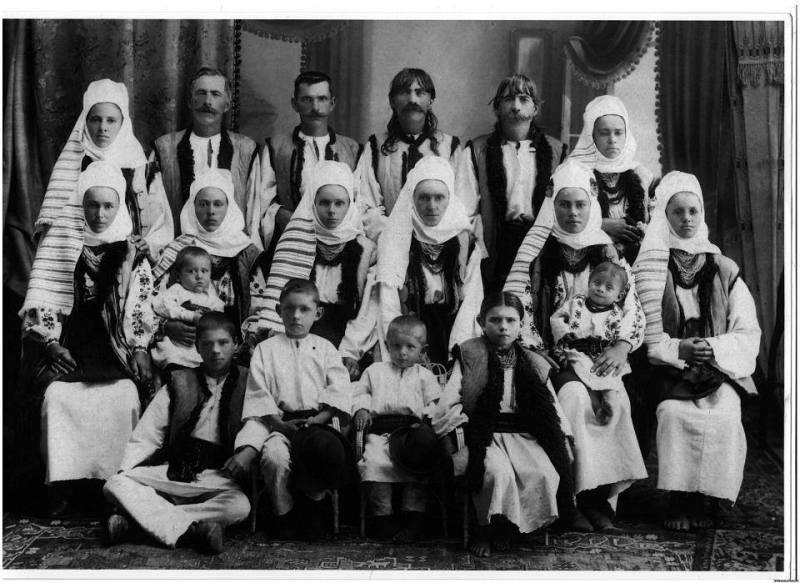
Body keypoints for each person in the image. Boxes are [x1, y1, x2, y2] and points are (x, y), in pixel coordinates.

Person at [503, 160, 647, 532]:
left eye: (580, 204)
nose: (572, 213)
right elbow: (518, 308)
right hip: (552, 355)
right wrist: (539, 350)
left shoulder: (607, 253)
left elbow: (632, 308)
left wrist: (622, 346)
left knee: (617, 402)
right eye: (564, 204)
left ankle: (602, 500)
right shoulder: (536, 251)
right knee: (574, 400)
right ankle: (574, 499)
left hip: (601, 355)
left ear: (592, 203)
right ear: (553, 204)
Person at [20, 161, 156, 515]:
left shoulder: (131, 253)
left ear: (120, 206)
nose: (99, 214)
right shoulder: (60, 246)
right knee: (55, 398)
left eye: (108, 205)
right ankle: (62, 487)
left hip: (115, 347)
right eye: (92, 205)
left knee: (125, 396)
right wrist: (51, 343)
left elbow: (140, 304)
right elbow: (44, 300)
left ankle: (117, 485)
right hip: (70, 346)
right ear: (80, 205)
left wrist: (139, 346)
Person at [632, 171, 761, 531]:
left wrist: (711, 347)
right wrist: (679, 349)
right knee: (675, 414)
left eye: (694, 211)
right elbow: (643, 330)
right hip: (669, 368)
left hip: (717, 367)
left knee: (724, 414)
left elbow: (747, 329)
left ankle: (709, 496)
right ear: (664, 215)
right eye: (678, 212)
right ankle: (679, 498)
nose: (687, 219)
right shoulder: (651, 266)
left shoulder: (723, 268)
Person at [432, 292, 574, 557]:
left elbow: (551, 408)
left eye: (511, 320)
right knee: (497, 474)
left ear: (521, 324)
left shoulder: (533, 361)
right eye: (495, 320)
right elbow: (449, 403)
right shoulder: (470, 353)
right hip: (484, 434)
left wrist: (563, 437)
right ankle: (484, 528)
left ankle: (509, 527)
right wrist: (457, 434)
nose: (503, 327)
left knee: (542, 473)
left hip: (522, 435)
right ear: (481, 322)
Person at [103, 312, 251, 554]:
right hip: (174, 471)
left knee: (240, 506)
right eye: (207, 344)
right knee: (115, 484)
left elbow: (259, 424)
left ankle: (136, 525)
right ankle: (193, 531)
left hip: (217, 477)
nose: (215, 351)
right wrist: (126, 469)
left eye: (223, 343)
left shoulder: (249, 382)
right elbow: (148, 434)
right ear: (197, 348)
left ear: (236, 344)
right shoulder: (179, 381)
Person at [228, 279, 355, 540]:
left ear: (317, 313)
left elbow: (339, 390)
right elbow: (259, 393)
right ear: (279, 310)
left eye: (304, 309)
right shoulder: (265, 350)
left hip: (318, 422)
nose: (296, 316)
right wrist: (280, 425)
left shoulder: (326, 349)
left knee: (323, 451)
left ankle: (312, 508)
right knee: (274, 457)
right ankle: (283, 513)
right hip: (280, 423)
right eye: (289, 309)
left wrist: (319, 419)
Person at [257, 161, 378, 374]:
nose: (332, 211)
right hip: (299, 329)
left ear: (350, 204)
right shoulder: (296, 240)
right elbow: (280, 299)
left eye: (339, 203)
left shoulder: (366, 249)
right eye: (324, 203)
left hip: (347, 337)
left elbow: (368, 309)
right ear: (313, 203)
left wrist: (350, 352)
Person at [456, 74, 567, 290]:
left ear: (536, 108)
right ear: (497, 108)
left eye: (524, 99)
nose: (516, 106)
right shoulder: (477, 150)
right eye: (508, 99)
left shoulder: (556, 151)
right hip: (495, 245)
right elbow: (464, 211)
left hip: (541, 245)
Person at [375, 156, 484, 368]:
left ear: (450, 198)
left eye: (439, 197)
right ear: (412, 198)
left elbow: (472, 300)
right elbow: (388, 302)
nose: (432, 206)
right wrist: (403, 344)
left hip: (453, 327)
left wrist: (458, 349)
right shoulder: (396, 240)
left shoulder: (466, 244)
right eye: (424, 198)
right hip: (408, 331)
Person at [151, 169, 269, 356]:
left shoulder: (247, 252)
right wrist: (166, 325)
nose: (211, 211)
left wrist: (247, 341)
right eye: (203, 204)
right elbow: (153, 297)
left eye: (218, 204)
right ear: (193, 207)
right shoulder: (179, 249)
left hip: (230, 342)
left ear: (229, 207)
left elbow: (260, 306)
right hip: (185, 340)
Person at [351, 315, 442, 542]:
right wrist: (361, 409)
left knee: (417, 466)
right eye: (396, 346)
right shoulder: (375, 371)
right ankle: (383, 519)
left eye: (410, 347)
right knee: (376, 464)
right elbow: (361, 392)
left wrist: (427, 420)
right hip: (379, 432)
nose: (402, 352)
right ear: (387, 345)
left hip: (411, 433)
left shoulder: (425, 376)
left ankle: (413, 520)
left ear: (422, 350)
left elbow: (435, 404)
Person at [148, 67, 263, 246]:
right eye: (201, 93)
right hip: (177, 251)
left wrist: (249, 254)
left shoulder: (245, 149)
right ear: (190, 101)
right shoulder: (164, 148)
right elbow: (154, 212)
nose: (208, 102)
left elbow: (254, 216)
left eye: (216, 94)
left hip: (232, 251)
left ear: (227, 104)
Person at [356, 68, 462, 240]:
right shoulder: (375, 147)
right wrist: (397, 239)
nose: (412, 100)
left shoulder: (449, 147)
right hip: (388, 243)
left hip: (438, 244)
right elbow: (367, 205)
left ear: (431, 100)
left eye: (420, 93)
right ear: (392, 101)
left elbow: (458, 204)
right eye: (404, 93)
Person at [260, 71, 361, 240]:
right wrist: (282, 215)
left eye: (322, 99)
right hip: (292, 236)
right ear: (295, 104)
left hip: (340, 240)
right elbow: (264, 201)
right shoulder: (276, 147)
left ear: (332, 103)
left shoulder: (352, 149)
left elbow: (360, 202)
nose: (315, 108)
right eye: (307, 99)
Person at [569, 95, 655, 264]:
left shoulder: (641, 175)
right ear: (592, 136)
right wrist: (603, 224)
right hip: (588, 260)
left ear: (626, 135)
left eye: (618, 133)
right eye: (604, 133)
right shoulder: (577, 173)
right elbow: (559, 222)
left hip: (633, 260)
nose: (612, 140)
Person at [550, 261, 630, 425]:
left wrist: (616, 346)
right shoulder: (576, 303)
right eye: (597, 283)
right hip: (578, 349)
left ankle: (609, 398)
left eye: (609, 288)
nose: (600, 289)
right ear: (588, 283)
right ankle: (598, 407)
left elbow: (621, 334)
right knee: (583, 370)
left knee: (608, 372)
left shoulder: (617, 314)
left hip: (603, 353)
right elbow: (557, 318)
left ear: (619, 296)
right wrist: (565, 334)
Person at [150, 246, 225, 369]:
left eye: (204, 271)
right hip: (177, 343)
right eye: (191, 271)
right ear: (179, 275)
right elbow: (161, 305)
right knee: (171, 354)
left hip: (198, 345)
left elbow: (219, 314)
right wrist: (191, 316)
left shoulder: (211, 297)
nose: (199, 276)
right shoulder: (177, 290)